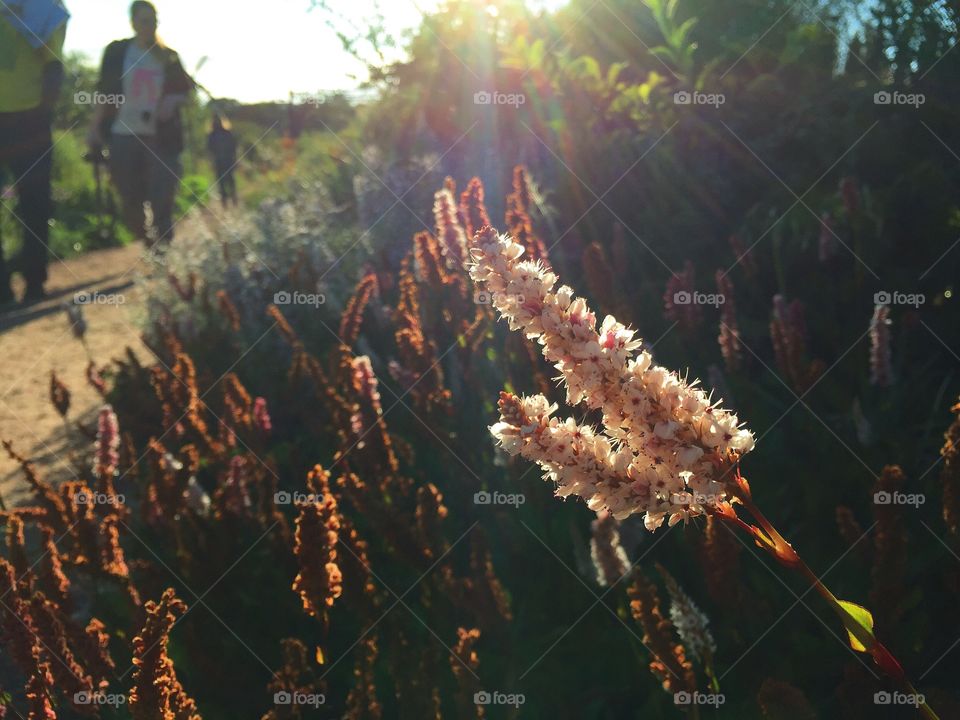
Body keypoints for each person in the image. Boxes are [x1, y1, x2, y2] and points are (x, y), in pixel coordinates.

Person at [87, 0, 192, 246]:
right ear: (133, 22)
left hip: (161, 137)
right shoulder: (117, 52)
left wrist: (173, 101)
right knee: (129, 196)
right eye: (144, 20)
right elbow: (105, 92)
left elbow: (186, 91)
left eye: (154, 20)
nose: (150, 25)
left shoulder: (169, 56)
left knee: (162, 195)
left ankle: (163, 254)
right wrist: (94, 129)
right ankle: (145, 236)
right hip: (122, 133)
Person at [0, 0, 68, 304]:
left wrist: (43, 115)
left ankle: (34, 282)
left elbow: (53, 65)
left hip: (30, 121)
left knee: (35, 205)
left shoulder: (45, 8)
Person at [207, 113, 238, 208]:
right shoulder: (215, 134)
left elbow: (233, 147)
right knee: (225, 182)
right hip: (222, 161)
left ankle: (231, 201)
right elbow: (210, 150)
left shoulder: (216, 134)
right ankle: (228, 202)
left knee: (227, 182)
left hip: (225, 161)